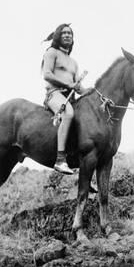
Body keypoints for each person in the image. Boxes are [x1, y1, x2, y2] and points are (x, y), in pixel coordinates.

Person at [42, 24, 88, 174]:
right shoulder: (52, 52)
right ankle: (60, 160)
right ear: (58, 36)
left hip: (70, 97)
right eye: (64, 33)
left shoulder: (74, 62)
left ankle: (81, 164)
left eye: (70, 33)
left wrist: (91, 91)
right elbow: (47, 74)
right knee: (68, 114)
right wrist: (69, 84)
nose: (68, 35)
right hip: (54, 93)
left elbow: (78, 88)